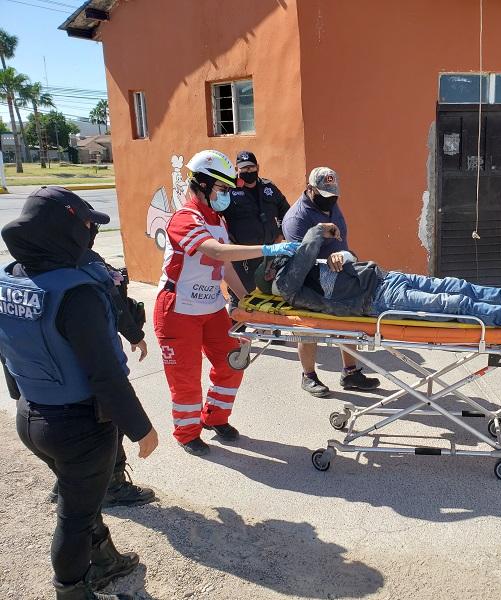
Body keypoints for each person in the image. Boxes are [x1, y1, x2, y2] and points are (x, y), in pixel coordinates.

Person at [0, 186, 159, 599]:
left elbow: (8, 350)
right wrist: (141, 428)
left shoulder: (11, 278)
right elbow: (105, 373)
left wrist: (19, 394)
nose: (90, 231)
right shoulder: (76, 293)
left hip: (30, 415)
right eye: (85, 224)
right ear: (64, 229)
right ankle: (71, 589)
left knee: (82, 500)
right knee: (74, 516)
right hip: (79, 427)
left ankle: (104, 560)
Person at [153, 150, 299, 456]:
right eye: (221, 189)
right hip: (177, 311)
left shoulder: (217, 219)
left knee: (233, 360)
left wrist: (248, 302)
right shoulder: (184, 219)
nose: (226, 196)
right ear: (203, 185)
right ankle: (187, 432)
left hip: (211, 308)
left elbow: (226, 268)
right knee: (186, 378)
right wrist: (268, 250)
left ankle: (215, 417)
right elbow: (217, 253)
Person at [40, 213, 156, 507]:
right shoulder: (90, 265)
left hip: (50, 371)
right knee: (109, 421)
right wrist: (134, 334)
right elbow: (115, 305)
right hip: (94, 362)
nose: (91, 230)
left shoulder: (32, 262)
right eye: (88, 225)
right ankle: (113, 485)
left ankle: (64, 481)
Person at [255, 222, 501, 326]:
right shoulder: (287, 285)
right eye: (275, 255)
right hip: (378, 299)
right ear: (271, 273)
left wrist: (343, 254)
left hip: (385, 278)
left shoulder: (305, 267)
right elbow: (305, 252)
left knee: (456, 286)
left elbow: (351, 260)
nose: (282, 250)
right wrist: (319, 230)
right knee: (454, 304)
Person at [281, 167, 380, 397]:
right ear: (310, 190)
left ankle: (350, 373)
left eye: (334, 196)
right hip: (313, 283)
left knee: (349, 323)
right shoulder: (297, 219)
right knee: (309, 327)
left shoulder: (331, 204)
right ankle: (308, 376)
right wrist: (326, 258)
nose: (331, 201)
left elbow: (341, 240)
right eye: (325, 196)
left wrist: (344, 257)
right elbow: (299, 265)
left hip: (341, 274)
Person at [222, 151, 290, 295]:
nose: (248, 171)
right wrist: (227, 242)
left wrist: (280, 235)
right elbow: (216, 218)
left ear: (257, 167)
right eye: (244, 168)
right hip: (243, 257)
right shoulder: (228, 191)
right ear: (236, 169)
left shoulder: (269, 187)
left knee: (270, 295)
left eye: (251, 167)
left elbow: (287, 213)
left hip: (270, 256)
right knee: (243, 297)